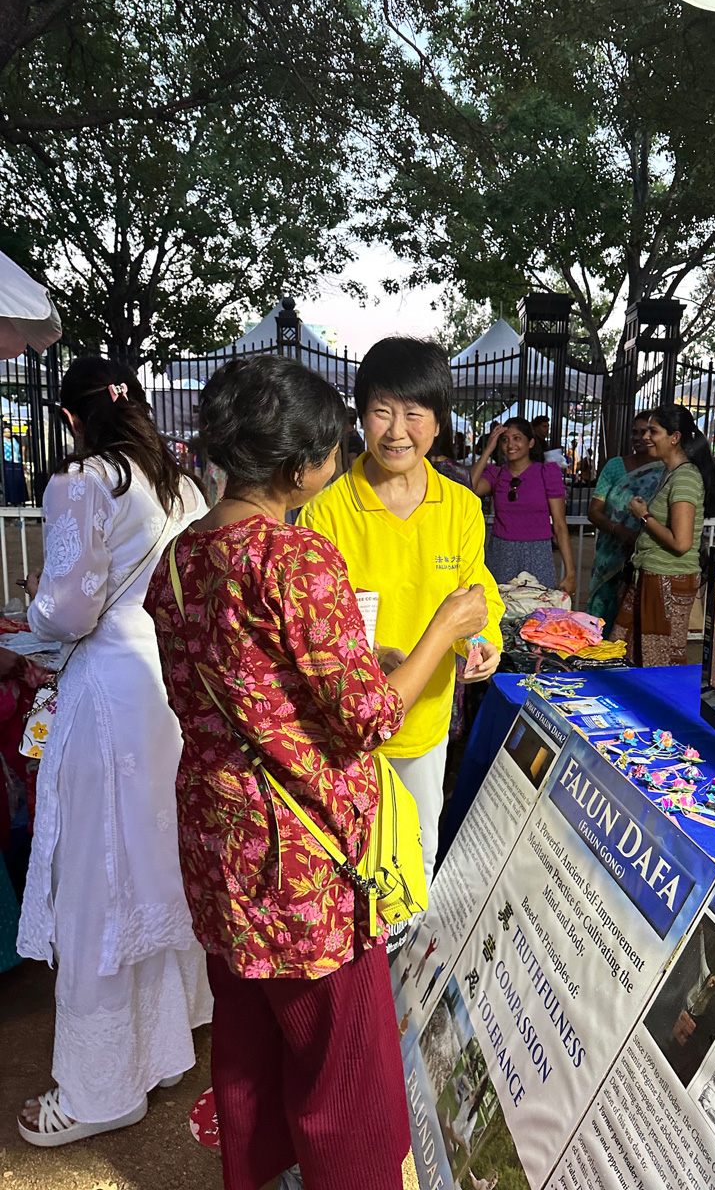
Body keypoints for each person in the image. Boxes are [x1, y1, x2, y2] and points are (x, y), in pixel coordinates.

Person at [145, 354, 489, 1190]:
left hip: (219, 840)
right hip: (302, 860)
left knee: (249, 1041)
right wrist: (443, 633)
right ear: (298, 467)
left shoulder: (183, 557)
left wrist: (365, 664)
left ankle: (261, 1174)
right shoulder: (294, 558)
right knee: (344, 1065)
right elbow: (370, 718)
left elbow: (240, 682)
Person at [16, 356, 211, 1145]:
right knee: (155, 862)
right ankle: (164, 1046)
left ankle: (100, 1089)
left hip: (106, 686)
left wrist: (34, 612)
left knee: (98, 875)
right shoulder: (182, 486)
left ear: (72, 418)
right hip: (165, 685)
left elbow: (67, 611)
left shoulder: (83, 482)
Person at [301, 338, 503, 885]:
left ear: (438, 423)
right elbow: (316, 626)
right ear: (360, 418)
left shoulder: (460, 506)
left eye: (414, 413)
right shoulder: (326, 512)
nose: (396, 431)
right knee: (350, 863)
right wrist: (370, 654)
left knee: (417, 858)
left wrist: (483, 642)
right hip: (347, 728)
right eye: (381, 411)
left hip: (426, 721)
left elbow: (476, 590)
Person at [610, 404, 715, 667]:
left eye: (653, 431)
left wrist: (644, 516)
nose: (646, 437)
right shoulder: (670, 473)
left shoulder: (685, 478)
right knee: (630, 650)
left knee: (658, 659)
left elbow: (681, 543)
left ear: (674, 437)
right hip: (653, 574)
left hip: (668, 578)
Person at [471, 417, 576, 597]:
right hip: (501, 553)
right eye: (505, 440)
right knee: (499, 609)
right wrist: (488, 449)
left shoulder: (546, 473)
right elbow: (470, 488)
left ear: (531, 443)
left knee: (537, 609)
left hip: (538, 554)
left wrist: (570, 572)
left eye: (517, 438)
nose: (510, 444)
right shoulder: (496, 474)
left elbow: (559, 524)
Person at [587, 411, 664, 633]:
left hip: (648, 555)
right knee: (603, 615)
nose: (640, 437)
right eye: (635, 432)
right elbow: (594, 512)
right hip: (611, 555)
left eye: (647, 432)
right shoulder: (615, 466)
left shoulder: (667, 470)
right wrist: (621, 531)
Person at [3, 425, 27, 505]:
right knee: (10, 481)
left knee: (19, 480)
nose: (7, 433)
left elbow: (20, 450)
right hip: (7, 462)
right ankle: (10, 499)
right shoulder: (2, 441)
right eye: (5, 432)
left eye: (8, 431)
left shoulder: (15, 440)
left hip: (17, 461)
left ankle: (20, 499)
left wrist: (23, 462)